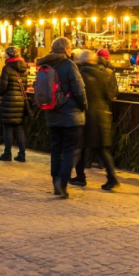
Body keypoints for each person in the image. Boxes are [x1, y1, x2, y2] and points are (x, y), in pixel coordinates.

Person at [36, 37, 87, 199]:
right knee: (72, 149)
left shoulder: (45, 64)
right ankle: (62, 181)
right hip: (70, 115)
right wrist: (84, 106)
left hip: (51, 113)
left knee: (56, 149)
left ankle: (55, 181)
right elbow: (79, 89)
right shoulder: (68, 65)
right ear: (66, 49)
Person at [73, 49, 120, 190]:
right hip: (101, 114)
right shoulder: (104, 74)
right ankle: (111, 178)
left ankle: (81, 177)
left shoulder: (79, 75)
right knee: (102, 149)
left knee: (80, 147)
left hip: (86, 114)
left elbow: (77, 95)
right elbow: (111, 94)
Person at [0, 47, 29, 163]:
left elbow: (3, 86)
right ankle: (22, 154)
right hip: (20, 102)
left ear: (9, 55)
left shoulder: (7, 68)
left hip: (8, 102)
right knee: (19, 128)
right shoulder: (24, 68)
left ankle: (7, 153)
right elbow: (25, 86)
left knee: (8, 129)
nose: (4, 56)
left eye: (5, 54)